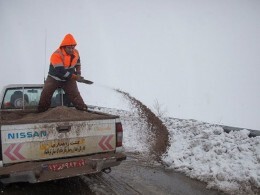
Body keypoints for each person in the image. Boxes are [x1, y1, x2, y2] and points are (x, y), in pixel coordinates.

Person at [38, 33, 88, 112]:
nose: (71, 50)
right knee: (46, 94)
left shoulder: (76, 53)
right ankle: (41, 112)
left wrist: (78, 73)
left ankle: (84, 110)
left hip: (69, 79)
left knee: (75, 95)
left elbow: (78, 63)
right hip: (54, 78)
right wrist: (74, 77)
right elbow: (60, 71)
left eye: (73, 47)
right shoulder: (56, 55)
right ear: (64, 47)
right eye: (69, 48)